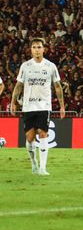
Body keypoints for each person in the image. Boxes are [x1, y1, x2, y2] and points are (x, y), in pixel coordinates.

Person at [10, 38, 65, 175]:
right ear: (31, 50)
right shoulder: (25, 66)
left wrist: (62, 106)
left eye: (39, 47)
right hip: (28, 106)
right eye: (34, 47)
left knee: (43, 133)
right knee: (29, 138)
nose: (36, 49)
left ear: (43, 49)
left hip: (44, 105)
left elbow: (57, 86)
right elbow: (18, 86)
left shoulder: (50, 66)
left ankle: (43, 167)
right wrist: (13, 102)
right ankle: (34, 163)